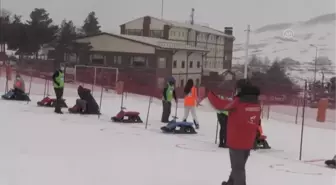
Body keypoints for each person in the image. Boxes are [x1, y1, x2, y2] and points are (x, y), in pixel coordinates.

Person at [215, 79, 261, 185]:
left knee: (238, 168)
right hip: (249, 140)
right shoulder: (256, 103)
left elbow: (222, 106)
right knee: (239, 165)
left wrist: (209, 95)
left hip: (236, 140)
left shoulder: (237, 102)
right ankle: (231, 182)